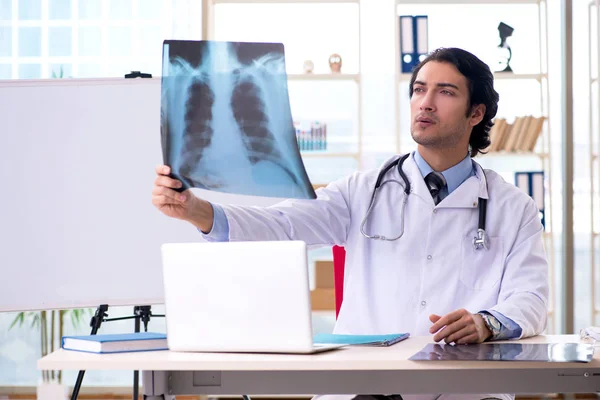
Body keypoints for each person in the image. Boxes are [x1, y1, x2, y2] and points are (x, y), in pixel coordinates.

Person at [152, 47, 549, 400]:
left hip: (465, 387)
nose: (425, 103)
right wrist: (198, 211)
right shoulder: (362, 190)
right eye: (418, 89)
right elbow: (283, 224)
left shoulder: (513, 208)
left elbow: (530, 299)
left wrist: (486, 322)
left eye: (445, 92)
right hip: (367, 383)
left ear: (475, 113)